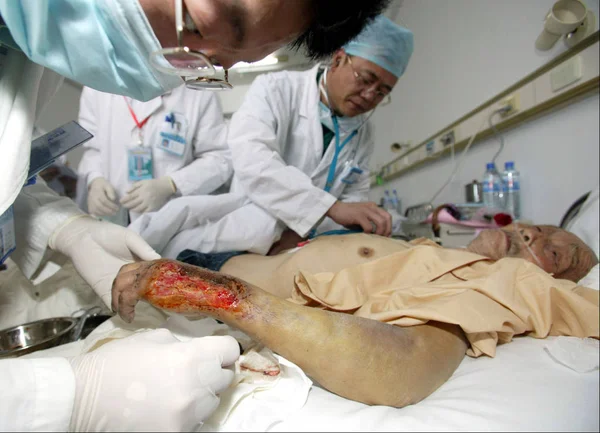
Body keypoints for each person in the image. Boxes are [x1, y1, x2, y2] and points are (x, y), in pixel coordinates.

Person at [0, 0, 391, 430]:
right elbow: (248, 160)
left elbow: (6, 170)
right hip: (148, 222)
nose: (196, 64)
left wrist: (64, 227)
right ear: (340, 60)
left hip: (169, 219)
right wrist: (63, 396)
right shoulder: (74, 63)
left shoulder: (23, 56)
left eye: (225, 63)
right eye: (213, 24)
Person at [111, 223, 599, 408]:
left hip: (194, 293)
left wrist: (216, 294)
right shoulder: (447, 256)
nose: (535, 239)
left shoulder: (488, 289)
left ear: (551, 285)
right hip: (212, 252)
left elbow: (406, 365)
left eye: (558, 255)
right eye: (541, 228)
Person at [129, 15, 414, 258]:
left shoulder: (364, 132)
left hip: (310, 244)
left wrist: (354, 219)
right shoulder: (276, 89)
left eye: (382, 92)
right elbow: (253, 161)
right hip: (246, 231)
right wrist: (329, 208)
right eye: (365, 80)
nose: (369, 95)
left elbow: (354, 197)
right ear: (339, 59)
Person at [77, 84, 230, 225]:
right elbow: (92, 149)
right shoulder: (96, 87)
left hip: (173, 220)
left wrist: (172, 184)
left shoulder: (198, 92)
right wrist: (94, 179)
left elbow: (219, 157)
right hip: (114, 214)